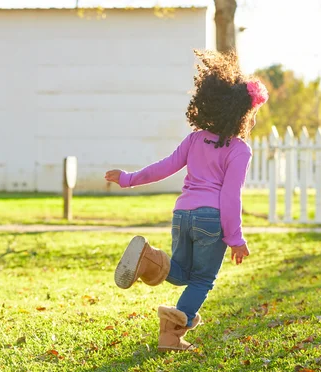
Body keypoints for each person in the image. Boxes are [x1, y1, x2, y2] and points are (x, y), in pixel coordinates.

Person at [105, 50, 268, 352]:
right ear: (241, 114)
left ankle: (149, 258)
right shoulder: (239, 150)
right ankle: (172, 333)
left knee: (180, 273)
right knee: (203, 279)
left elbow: (164, 167)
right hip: (211, 220)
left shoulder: (195, 139)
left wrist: (128, 178)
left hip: (183, 214)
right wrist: (235, 238)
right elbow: (229, 197)